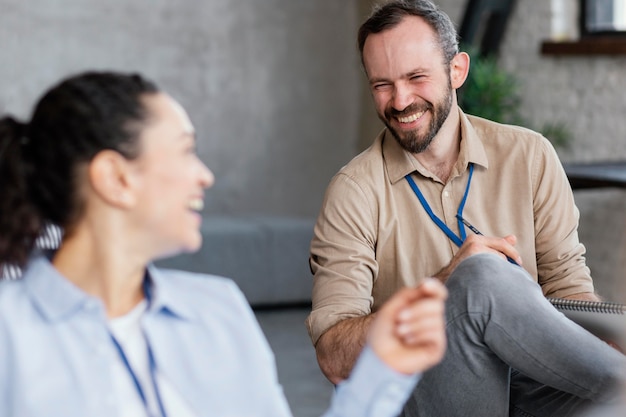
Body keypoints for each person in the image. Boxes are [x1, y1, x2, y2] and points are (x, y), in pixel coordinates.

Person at [0, 71, 448, 416]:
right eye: (184, 150)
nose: (204, 175)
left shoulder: (218, 310)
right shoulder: (10, 333)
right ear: (116, 178)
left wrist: (384, 369)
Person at [306, 1, 625, 416]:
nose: (400, 101)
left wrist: (602, 337)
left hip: (535, 385)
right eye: (382, 85)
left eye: (416, 77)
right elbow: (334, 357)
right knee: (480, 275)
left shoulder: (529, 155)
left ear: (457, 70)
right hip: (425, 394)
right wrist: (447, 284)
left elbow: (569, 291)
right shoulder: (352, 193)